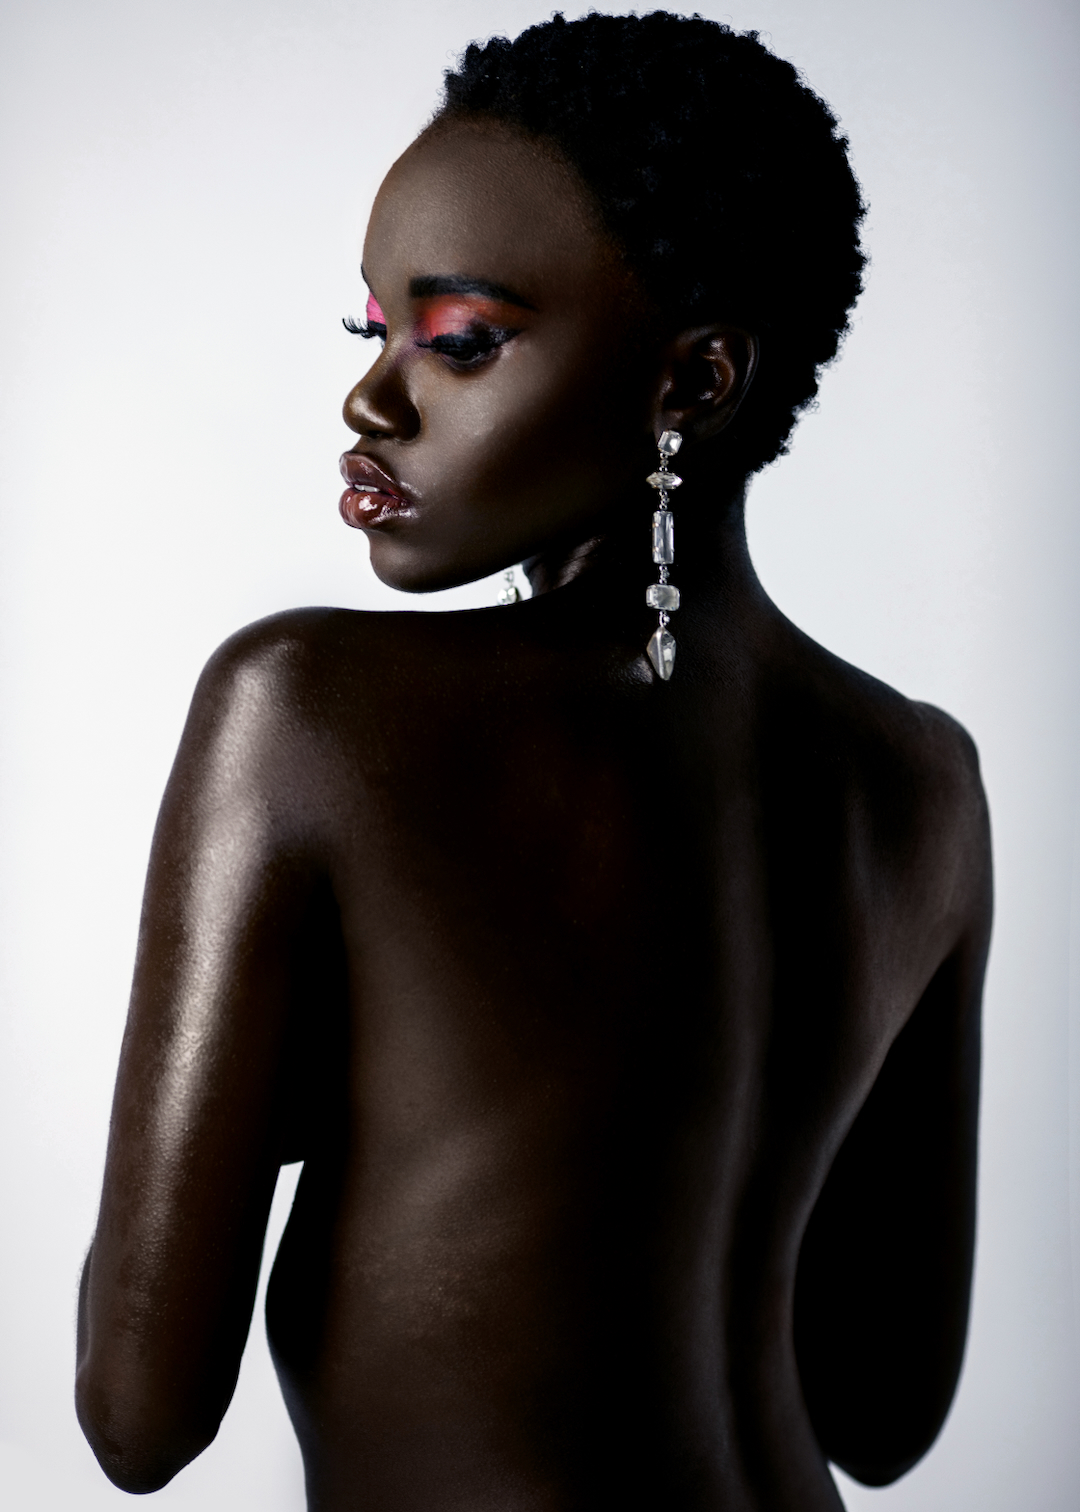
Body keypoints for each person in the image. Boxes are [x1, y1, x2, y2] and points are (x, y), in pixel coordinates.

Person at [74, 13, 992, 1511]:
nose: (372, 401)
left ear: (691, 386)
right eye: (369, 330)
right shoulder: (924, 782)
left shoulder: (304, 710)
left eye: (458, 341)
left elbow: (138, 1413)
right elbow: (883, 1412)